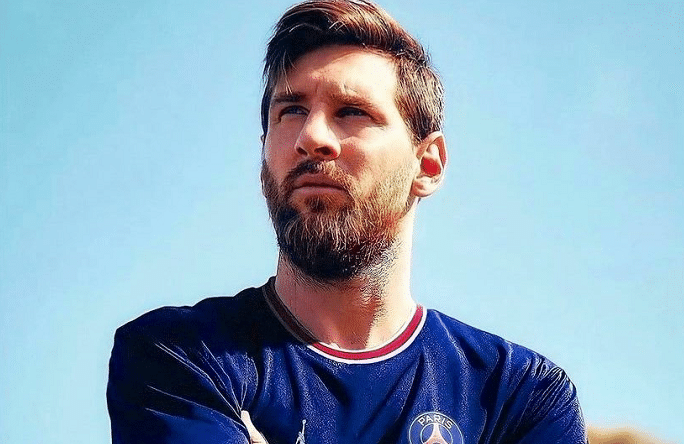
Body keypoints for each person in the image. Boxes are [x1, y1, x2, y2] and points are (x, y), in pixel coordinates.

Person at [106, 1, 587, 443]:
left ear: (428, 164)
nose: (311, 136)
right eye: (291, 111)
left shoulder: (520, 396)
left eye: (352, 111)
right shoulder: (178, 356)